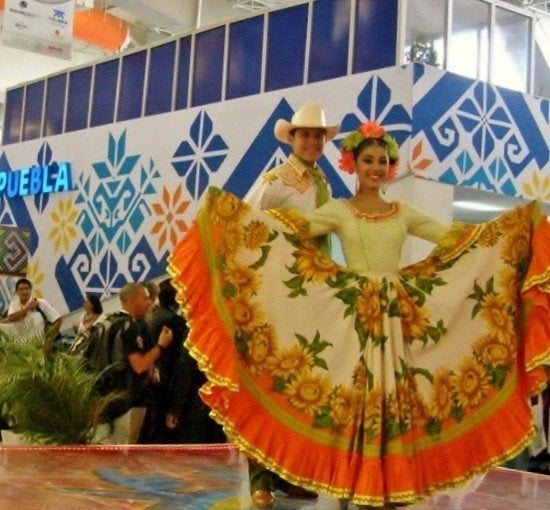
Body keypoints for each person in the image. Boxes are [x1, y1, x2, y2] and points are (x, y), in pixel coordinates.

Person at [168, 121, 550, 508]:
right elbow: (297, 228)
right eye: (367, 159)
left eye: (382, 161)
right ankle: (353, 482)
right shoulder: (339, 209)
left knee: (395, 397)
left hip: (397, 314)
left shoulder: (404, 211)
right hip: (353, 315)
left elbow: (453, 237)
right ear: (352, 163)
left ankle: (389, 485)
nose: (375, 167)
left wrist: (511, 228)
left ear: (390, 167)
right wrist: (235, 218)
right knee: (353, 396)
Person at [243, 101, 339, 507]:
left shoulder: (323, 183)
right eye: (306, 134)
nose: (313, 140)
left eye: (319, 135)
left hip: (311, 293)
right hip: (277, 293)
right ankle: (260, 478)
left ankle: (289, 472)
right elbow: (244, 223)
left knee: (300, 384)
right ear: (293, 138)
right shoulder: (275, 180)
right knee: (267, 383)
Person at [142, 278, 226, 444]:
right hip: (215, 398)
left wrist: (174, 408)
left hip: (193, 402)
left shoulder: (190, 327)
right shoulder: (216, 323)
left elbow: (185, 368)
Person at [93, 281, 173, 444]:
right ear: (131, 301)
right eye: (145, 299)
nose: (149, 303)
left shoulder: (107, 322)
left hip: (106, 398)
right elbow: (139, 365)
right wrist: (161, 346)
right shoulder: (130, 327)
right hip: (128, 400)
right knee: (124, 453)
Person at [0, 278, 62, 345]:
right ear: (17, 292)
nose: (24, 292)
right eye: (21, 289)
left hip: (42, 343)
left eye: (26, 288)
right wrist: (28, 308)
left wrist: (49, 341)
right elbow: (11, 318)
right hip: (22, 345)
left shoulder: (41, 303)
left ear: (30, 290)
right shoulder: (14, 305)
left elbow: (58, 320)